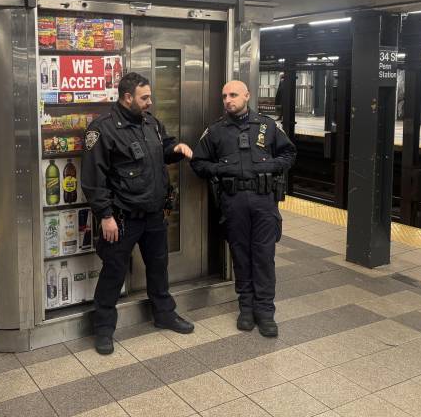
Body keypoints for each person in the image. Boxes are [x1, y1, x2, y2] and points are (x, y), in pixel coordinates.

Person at [81, 72, 195, 355]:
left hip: (154, 213)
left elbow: (163, 148)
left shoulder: (151, 123)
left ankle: (164, 315)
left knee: (159, 267)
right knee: (114, 272)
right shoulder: (102, 129)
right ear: (127, 97)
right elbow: (93, 178)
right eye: (145, 98)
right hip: (121, 217)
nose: (150, 102)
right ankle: (104, 329)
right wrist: (105, 215)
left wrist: (176, 149)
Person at [190, 80, 296, 337]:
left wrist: (268, 167)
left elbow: (289, 154)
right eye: (224, 95)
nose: (228, 100)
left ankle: (265, 312)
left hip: (263, 201)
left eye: (233, 95)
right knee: (240, 256)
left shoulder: (268, 127)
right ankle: (246, 310)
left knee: (264, 256)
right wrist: (221, 169)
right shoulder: (215, 131)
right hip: (233, 201)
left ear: (247, 95)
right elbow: (198, 162)